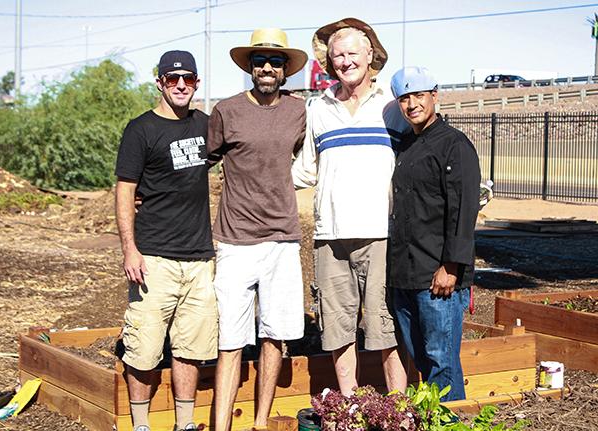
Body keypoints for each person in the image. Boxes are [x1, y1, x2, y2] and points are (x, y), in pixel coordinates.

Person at [292, 18, 409, 396]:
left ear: (370, 55)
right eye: (337, 55)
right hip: (331, 237)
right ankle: (349, 409)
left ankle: (400, 407)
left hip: (382, 235)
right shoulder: (318, 108)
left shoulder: (392, 109)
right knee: (338, 328)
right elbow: (303, 171)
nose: (344, 61)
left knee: (385, 329)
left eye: (352, 53)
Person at [206, 28, 308, 430]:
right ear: (250, 68)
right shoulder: (226, 111)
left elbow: (301, 155)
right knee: (230, 341)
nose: (267, 68)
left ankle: (260, 422)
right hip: (234, 240)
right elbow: (201, 164)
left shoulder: (298, 111)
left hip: (282, 239)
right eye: (260, 61)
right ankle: (221, 426)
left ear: (286, 71)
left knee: (274, 337)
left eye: (276, 62)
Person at [115, 50, 217, 431]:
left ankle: (184, 424)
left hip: (199, 258)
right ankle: (141, 425)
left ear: (196, 84)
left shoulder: (207, 125)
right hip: (153, 258)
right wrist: (130, 249)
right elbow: (125, 190)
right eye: (172, 79)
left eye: (187, 79)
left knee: (190, 349)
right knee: (143, 348)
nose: (179, 86)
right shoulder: (140, 129)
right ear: (159, 82)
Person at [387, 66, 481, 402]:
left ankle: (449, 422)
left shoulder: (454, 145)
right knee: (425, 360)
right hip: (405, 275)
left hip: (438, 276)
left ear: (435, 96)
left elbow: (463, 209)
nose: (412, 104)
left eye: (419, 95)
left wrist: (451, 266)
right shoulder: (406, 147)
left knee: (442, 361)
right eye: (404, 98)